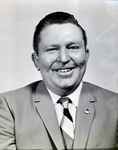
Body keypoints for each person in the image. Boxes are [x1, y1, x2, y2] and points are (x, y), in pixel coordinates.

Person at [0, 11, 118, 150]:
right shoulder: (8, 107)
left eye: (73, 47)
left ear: (86, 56)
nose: (63, 58)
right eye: (52, 49)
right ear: (36, 61)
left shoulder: (115, 105)